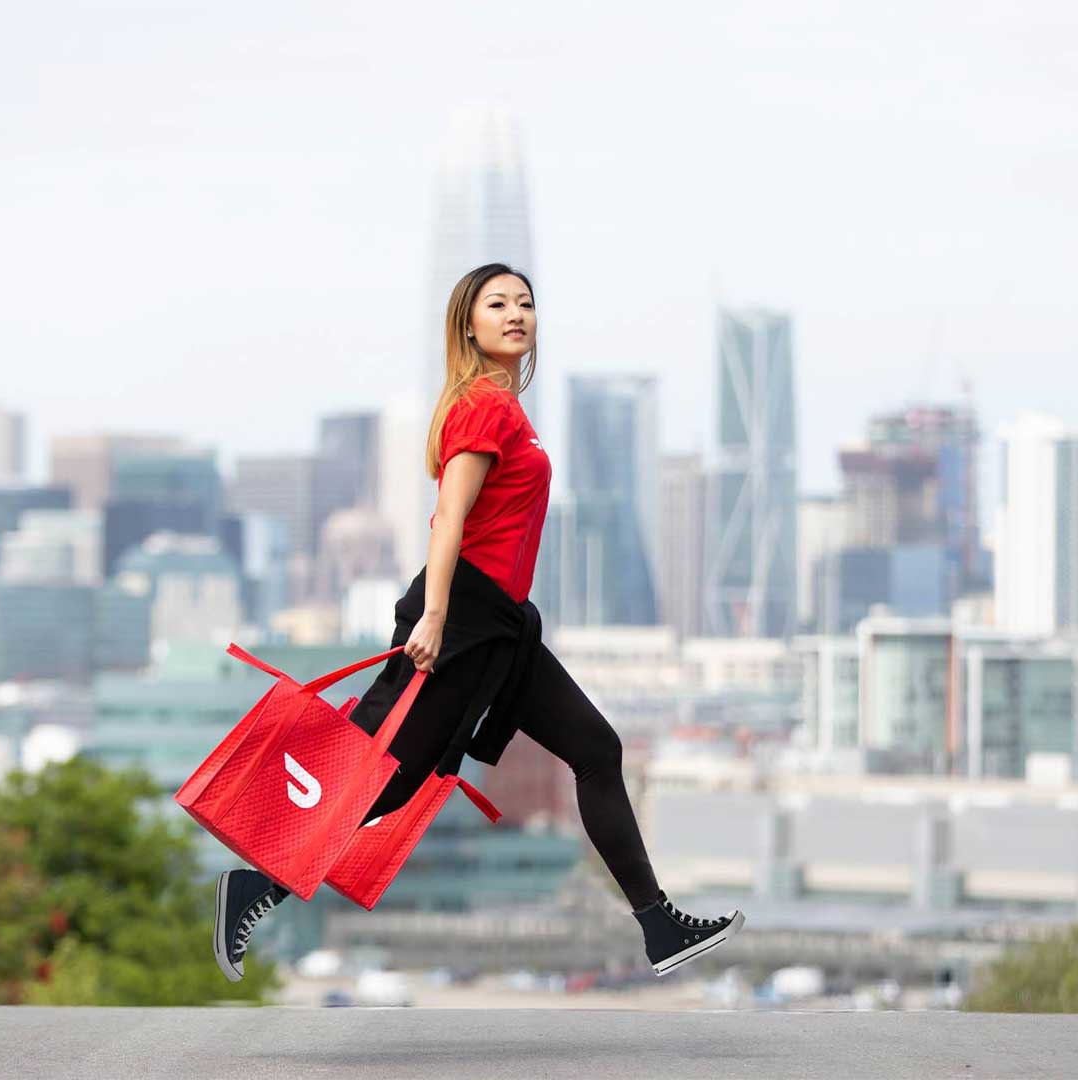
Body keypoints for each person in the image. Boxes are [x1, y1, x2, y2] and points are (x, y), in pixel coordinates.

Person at [213, 263, 745, 982]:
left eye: (525, 302)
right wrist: (433, 617)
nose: (516, 313)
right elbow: (448, 518)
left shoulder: (505, 408)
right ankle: (254, 885)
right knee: (387, 777)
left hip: (504, 625)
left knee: (596, 748)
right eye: (497, 304)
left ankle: (658, 926)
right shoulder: (481, 406)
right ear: (468, 325)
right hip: (460, 618)